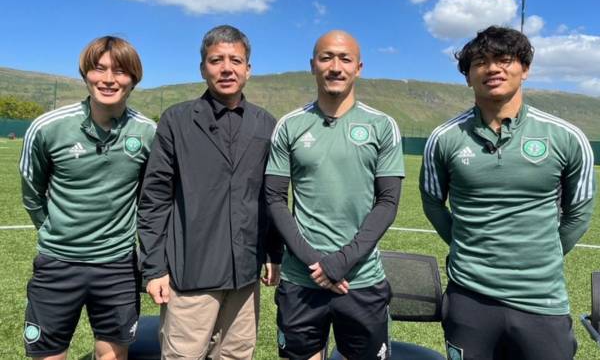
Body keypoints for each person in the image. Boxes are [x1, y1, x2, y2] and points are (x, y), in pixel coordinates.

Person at [420, 26, 595, 360]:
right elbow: (432, 202)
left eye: (504, 59)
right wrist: (465, 244)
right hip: (469, 296)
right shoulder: (444, 138)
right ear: (468, 76)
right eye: (480, 62)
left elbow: (579, 212)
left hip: (541, 299)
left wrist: (542, 255)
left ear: (524, 69)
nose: (493, 69)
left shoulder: (567, 137)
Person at [137, 25, 282, 360]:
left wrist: (274, 253)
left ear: (248, 69)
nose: (226, 68)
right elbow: (154, 199)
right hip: (191, 275)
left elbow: (271, 196)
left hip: (244, 276)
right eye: (216, 60)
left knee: (236, 355)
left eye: (235, 60)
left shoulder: (266, 124)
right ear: (203, 68)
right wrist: (155, 268)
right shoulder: (177, 120)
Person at [265, 30, 404, 360]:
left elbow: (387, 203)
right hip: (301, 280)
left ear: (359, 67)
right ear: (312, 65)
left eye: (345, 59)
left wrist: (341, 261)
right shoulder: (290, 125)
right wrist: (316, 262)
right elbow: (274, 199)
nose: (336, 67)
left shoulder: (382, 125)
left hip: (361, 279)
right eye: (326, 57)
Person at [19, 36, 156, 360]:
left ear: (134, 79)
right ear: (85, 74)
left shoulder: (148, 132)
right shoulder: (47, 127)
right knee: (47, 354)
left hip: (118, 266)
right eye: (99, 69)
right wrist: (55, 231)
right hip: (58, 262)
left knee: (113, 356)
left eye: (120, 71)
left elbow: (150, 198)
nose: (108, 79)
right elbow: (32, 193)